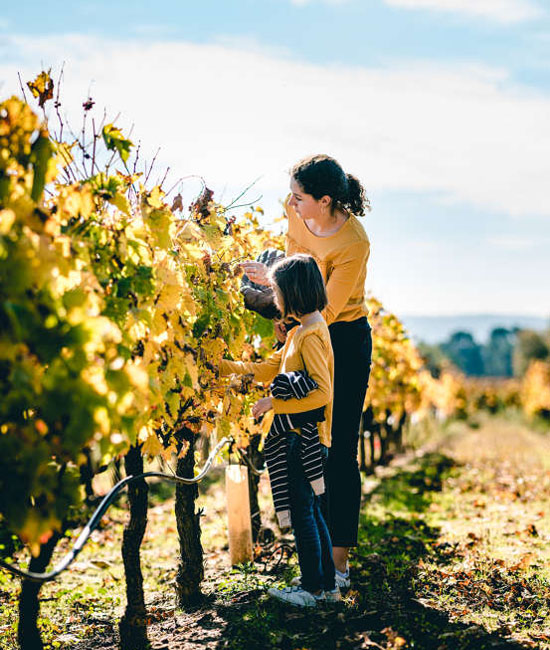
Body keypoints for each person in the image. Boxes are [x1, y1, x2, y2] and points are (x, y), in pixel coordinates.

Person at [241, 154, 372, 590]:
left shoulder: (354, 242)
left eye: (300, 198)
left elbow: (329, 309)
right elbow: (296, 267)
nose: (292, 204)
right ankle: (315, 565)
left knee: (338, 450)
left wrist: (280, 294)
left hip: (343, 339)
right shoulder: (296, 210)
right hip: (301, 322)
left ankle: (338, 567)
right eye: (292, 196)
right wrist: (277, 295)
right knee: (303, 446)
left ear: (326, 199)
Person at [219, 254, 339, 607]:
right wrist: (221, 366)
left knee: (305, 511)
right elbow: (267, 367)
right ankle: (326, 586)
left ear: (294, 293)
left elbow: (322, 392)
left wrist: (275, 403)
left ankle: (313, 589)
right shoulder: (299, 333)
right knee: (311, 510)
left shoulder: (312, 335)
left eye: (277, 291)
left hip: (308, 440)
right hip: (302, 437)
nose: (275, 299)